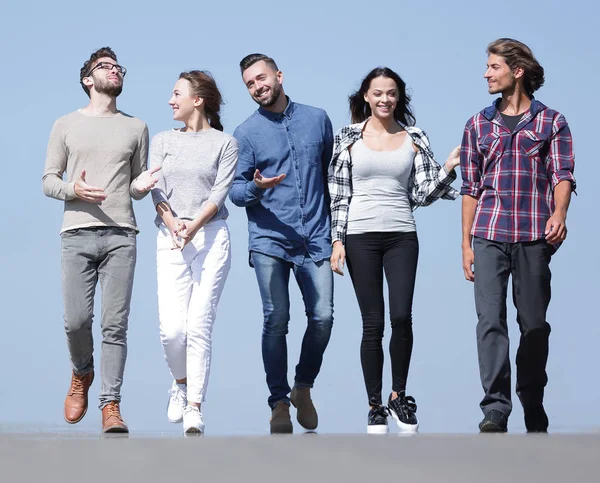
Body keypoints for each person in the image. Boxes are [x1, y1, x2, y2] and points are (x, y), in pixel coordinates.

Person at [328, 67, 460, 434]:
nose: (384, 99)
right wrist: (337, 240)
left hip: (402, 234)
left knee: (402, 316)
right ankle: (374, 406)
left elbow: (422, 193)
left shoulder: (414, 137)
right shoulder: (348, 138)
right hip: (359, 236)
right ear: (366, 97)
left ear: (398, 97)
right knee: (373, 323)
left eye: (391, 93)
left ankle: (398, 395)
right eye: (377, 93)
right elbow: (338, 194)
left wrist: (447, 168)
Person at [460, 38, 576, 433]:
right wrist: (465, 244)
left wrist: (559, 214)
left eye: (494, 66)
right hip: (489, 233)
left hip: (533, 235)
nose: (486, 73)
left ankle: (532, 398)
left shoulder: (552, 122)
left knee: (534, 324)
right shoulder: (477, 124)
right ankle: (495, 407)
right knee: (489, 321)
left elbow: (562, 175)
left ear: (517, 70)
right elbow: (470, 188)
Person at [42, 47, 159, 433]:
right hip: (75, 233)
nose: (114, 71)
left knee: (115, 325)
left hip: (122, 234)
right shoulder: (65, 124)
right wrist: (73, 188)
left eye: (117, 67)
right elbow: (48, 181)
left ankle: (111, 405)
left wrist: (142, 186)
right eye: (104, 67)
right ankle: (82, 373)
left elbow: (138, 183)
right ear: (87, 80)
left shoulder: (136, 127)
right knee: (76, 321)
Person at [229, 54, 334, 434]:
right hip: (269, 240)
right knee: (276, 319)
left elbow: (329, 175)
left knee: (323, 318)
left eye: (261, 78)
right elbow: (235, 192)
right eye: (250, 84)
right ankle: (278, 403)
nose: (258, 87)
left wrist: (336, 234)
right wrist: (256, 186)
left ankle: (302, 387)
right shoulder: (245, 134)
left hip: (316, 238)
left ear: (279, 75)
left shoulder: (318, 119)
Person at [150, 70, 238, 435]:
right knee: (172, 331)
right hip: (170, 237)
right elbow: (156, 190)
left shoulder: (225, 143)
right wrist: (174, 226)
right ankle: (181, 383)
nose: (171, 100)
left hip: (211, 236)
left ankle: (195, 407)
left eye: (176, 94)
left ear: (197, 99)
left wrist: (194, 226)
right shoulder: (162, 140)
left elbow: (219, 194)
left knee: (199, 323)